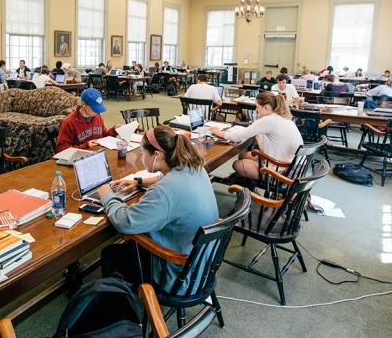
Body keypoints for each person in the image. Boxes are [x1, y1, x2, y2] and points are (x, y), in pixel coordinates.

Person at [97, 125, 219, 291]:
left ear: (157, 155)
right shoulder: (194, 167)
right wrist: (138, 182)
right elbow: (168, 178)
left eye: (142, 153)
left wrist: (107, 195)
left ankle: (122, 308)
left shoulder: (164, 191)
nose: (141, 158)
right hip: (202, 262)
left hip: (179, 274)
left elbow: (125, 222)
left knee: (111, 254)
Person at [210, 93, 303, 179]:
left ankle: (246, 185)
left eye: (257, 107)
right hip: (294, 167)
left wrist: (218, 132)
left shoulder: (269, 120)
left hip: (283, 171)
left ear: (266, 107)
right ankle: (246, 182)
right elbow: (266, 144)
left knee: (237, 164)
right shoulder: (284, 118)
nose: (256, 110)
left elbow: (238, 137)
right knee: (243, 155)